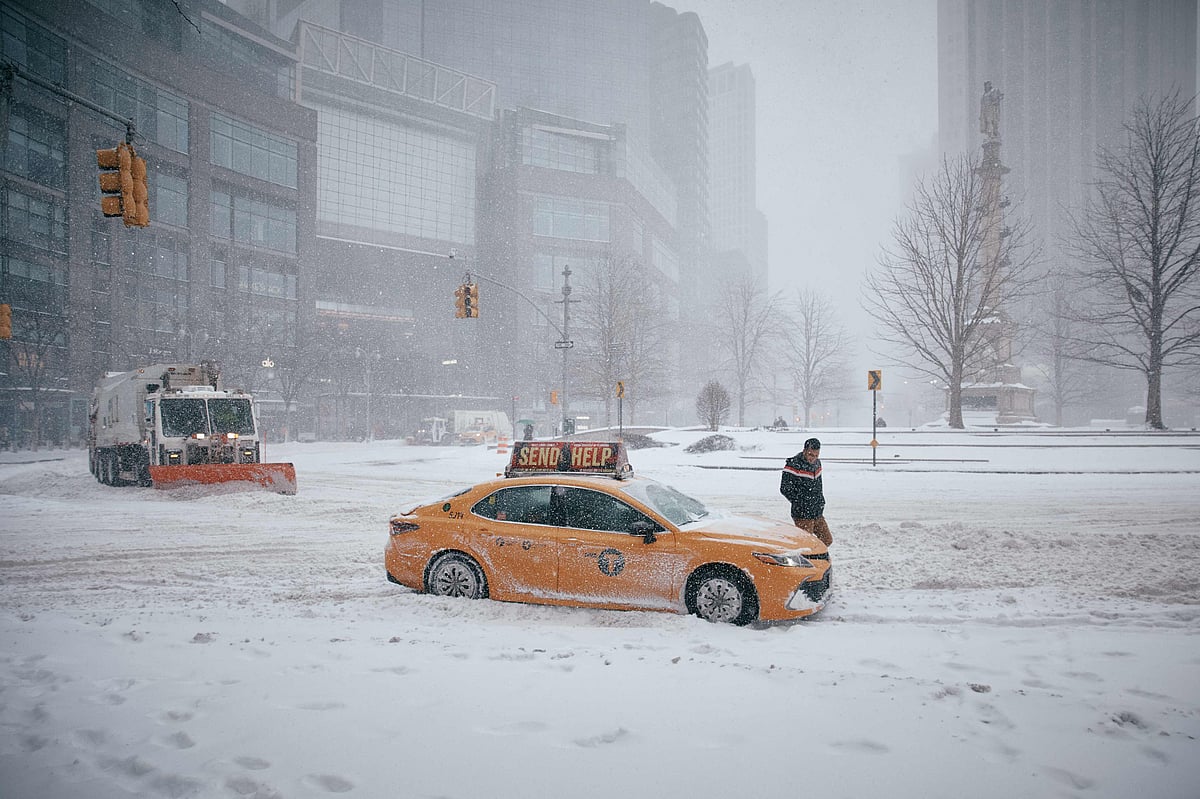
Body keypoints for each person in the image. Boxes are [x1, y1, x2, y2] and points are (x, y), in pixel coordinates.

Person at [780, 437, 832, 545]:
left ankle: (816, 558)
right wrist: (801, 502)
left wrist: (821, 502)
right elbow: (784, 488)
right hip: (802, 514)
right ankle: (806, 560)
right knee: (806, 545)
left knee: (827, 540)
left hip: (816, 511)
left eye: (816, 455)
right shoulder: (793, 465)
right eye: (811, 455)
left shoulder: (817, 463)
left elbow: (819, 486)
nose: (813, 458)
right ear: (804, 451)